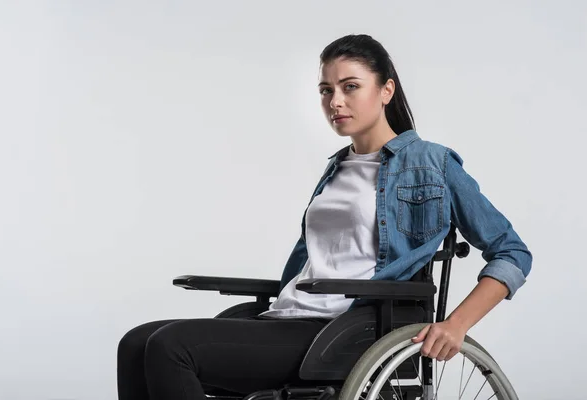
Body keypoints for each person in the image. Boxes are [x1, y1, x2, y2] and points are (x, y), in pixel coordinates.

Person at [117, 34, 532, 400]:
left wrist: (456, 325)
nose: (335, 101)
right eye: (325, 90)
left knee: (170, 347)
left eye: (350, 87)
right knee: (135, 343)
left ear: (386, 90)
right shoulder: (337, 167)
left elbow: (512, 252)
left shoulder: (430, 163)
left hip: (348, 329)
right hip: (292, 316)